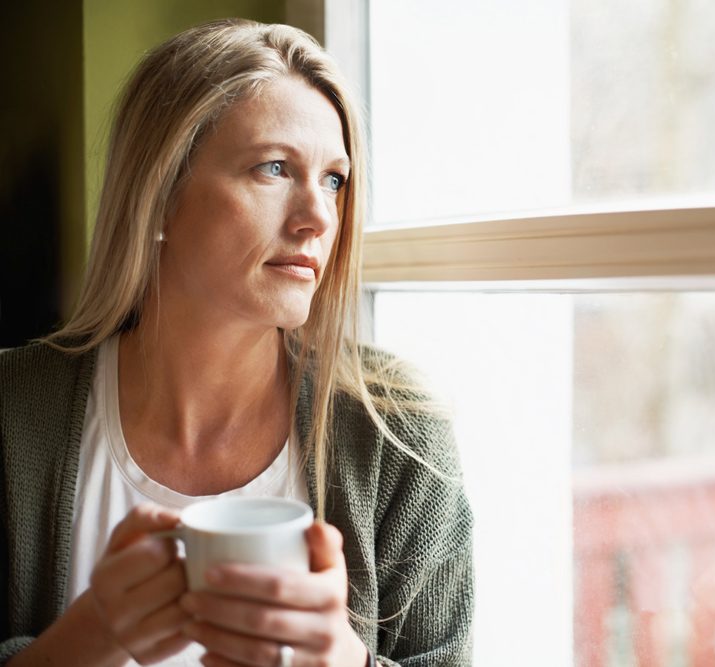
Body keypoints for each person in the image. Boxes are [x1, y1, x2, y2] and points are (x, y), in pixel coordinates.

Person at [0, 19, 473, 667]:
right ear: (159, 195)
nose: (318, 217)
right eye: (275, 168)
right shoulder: (10, 411)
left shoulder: (397, 432)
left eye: (334, 179)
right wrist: (94, 634)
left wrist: (341, 660)